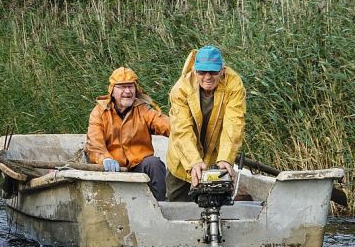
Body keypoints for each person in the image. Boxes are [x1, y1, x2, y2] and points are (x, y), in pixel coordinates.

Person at [165, 45, 246, 202]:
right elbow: (182, 130)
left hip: (215, 159)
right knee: (176, 207)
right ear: (195, 71)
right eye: (202, 72)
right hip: (182, 160)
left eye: (213, 72)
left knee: (216, 207)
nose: (207, 77)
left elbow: (234, 124)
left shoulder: (234, 84)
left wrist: (225, 158)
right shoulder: (180, 89)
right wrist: (193, 162)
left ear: (222, 70)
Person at [86, 67, 171, 201]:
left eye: (131, 87)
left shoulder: (143, 109)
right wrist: (105, 159)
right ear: (112, 91)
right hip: (111, 170)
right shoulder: (99, 112)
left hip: (139, 166)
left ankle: (159, 206)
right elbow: (94, 144)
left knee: (154, 163)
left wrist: (183, 131)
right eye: (122, 87)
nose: (127, 91)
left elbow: (165, 125)